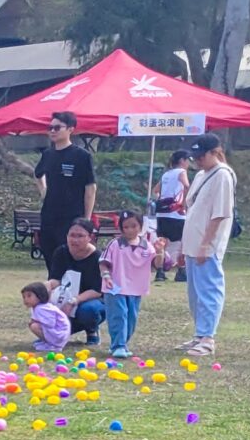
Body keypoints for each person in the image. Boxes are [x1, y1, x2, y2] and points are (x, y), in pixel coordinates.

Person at [177, 133, 236, 357]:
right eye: (195, 157)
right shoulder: (202, 174)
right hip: (192, 241)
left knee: (209, 289)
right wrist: (185, 246)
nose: (198, 160)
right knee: (195, 293)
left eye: (202, 156)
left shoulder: (222, 175)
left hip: (207, 244)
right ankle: (199, 334)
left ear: (215, 152)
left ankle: (208, 336)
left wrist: (205, 244)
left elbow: (220, 214)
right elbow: (191, 210)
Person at [32, 111, 96, 263]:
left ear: (70, 129)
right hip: (49, 215)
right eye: (50, 127)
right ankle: (53, 285)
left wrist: (85, 219)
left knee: (69, 257)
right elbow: (37, 175)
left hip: (72, 216)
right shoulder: (48, 154)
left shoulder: (82, 156)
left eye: (57, 127)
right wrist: (44, 192)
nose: (52, 131)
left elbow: (90, 188)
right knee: (49, 254)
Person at [99, 211, 162, 360]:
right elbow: (103, 262)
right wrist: (106, 276)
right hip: (115, 288)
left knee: (131, 318)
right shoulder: (115, 244)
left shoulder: (147, 246)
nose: (130, 230)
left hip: (136, 289)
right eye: (126, 227)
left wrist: (160, 251)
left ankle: (121, 343)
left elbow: (157, 264)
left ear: (140, 226)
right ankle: (118, 345)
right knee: (118, 315)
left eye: (133, 226)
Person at [44, 220, 109, 348]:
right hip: (65, 299)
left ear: (90, 237)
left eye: (80, 236)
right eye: (72, 235)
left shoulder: (98, 258)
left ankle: (91, 330)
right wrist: (46, 286)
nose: (75, 240)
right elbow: (56, 279)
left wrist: (73, 301)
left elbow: (97, 291)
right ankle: (60, 332)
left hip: (92, 300)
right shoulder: (61, 252)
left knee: (88, 310)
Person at [153, 148, 190, 282]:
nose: (188, 164)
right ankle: (181, 271)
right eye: (187, 160)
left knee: (162, 243)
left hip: (162, 214)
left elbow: (155, 191)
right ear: (182, 161)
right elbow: (187, 186)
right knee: (183, 242)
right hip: (176, 214)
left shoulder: (166, 174)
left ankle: (159, 272)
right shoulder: (181, 172)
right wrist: (183, 204)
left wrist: (162, 201)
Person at [21, 279, 73, 351]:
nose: (26, 299)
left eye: (29, 296)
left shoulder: (41, 308)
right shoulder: (39, 307)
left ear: (39, 296)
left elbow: (50, 323)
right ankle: (50, 342)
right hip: (60, 333)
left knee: (34, 326)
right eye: (24, 297)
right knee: (33, 324)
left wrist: (35, 322)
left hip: (60, 334)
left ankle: (53, 345)